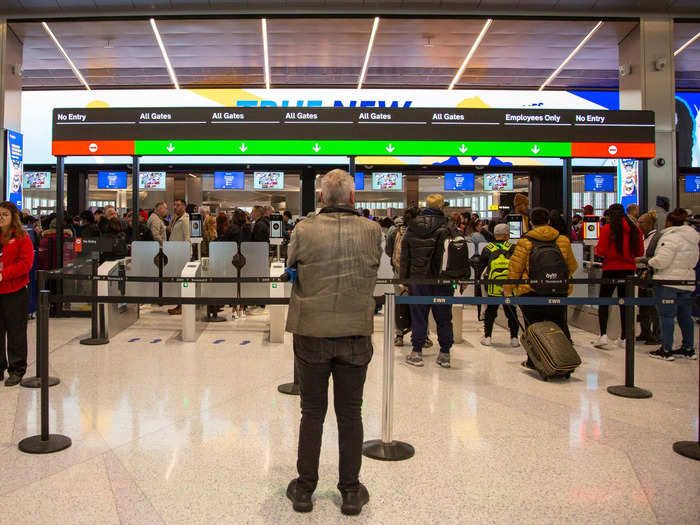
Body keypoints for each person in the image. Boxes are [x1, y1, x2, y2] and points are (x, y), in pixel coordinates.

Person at [285, 169, 381, 516]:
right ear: (353, 198)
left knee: (312, 412)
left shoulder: (304, 229)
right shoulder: (373, 231)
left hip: (311, 332)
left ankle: (304, 490)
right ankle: (351, 491)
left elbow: (290, 263)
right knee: (350, 413)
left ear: (322, 198)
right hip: (355, 332)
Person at [504, 207, 578, 369]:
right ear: (549, 221)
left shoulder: (525, 242)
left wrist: (508, 289)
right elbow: (572, 266)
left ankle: (534, 361)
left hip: (531, 291)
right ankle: (565, 361)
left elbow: (515, 268)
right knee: (559, 325)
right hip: (558, 290)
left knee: (533, 327)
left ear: (531, 223)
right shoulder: (562, 240)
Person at [400, 193, 454, 369]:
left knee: (419, 316)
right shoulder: (448, 226)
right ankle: (445, 353)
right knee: (444, 317)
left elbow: (405, 256)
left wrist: (404, 280)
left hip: (418, 278)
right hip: (442, 280)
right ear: (441, 207)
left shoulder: (412, 226)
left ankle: (417, 352)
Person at [648, 208, 700, 361]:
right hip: (686, 281)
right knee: (685, 315)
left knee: (667, 316)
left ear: (669, 222)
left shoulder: (670, 237)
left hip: (667, 281)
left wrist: (650, 261)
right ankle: (688, 347)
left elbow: (662, 261)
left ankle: (666, 349)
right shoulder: (692, 239)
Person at [593, 203, 644, 348]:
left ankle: (603, 335)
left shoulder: (608, 229)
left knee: (604, 301)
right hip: (628, 270)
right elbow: (640, 252)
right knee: (625, 303)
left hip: (610, 269)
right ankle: (625, 337)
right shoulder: (635, 230)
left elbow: (601, 251)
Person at [0, 202, 34, 387]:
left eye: (5, 214)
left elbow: (25, 264)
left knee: (16, 332)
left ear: (13, 216)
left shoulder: (22, 237)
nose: (1, 218)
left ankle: (17, 369)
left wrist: (3, 275)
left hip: (15, 291)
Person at [478, 223, 519, 347]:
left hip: (492, 286)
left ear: (495, 235)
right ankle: (514, 338)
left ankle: (488, 337)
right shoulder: (512, 248)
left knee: (490, 311)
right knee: (511, 311)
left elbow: (481, 268)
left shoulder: (488, 248)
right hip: (509, 287)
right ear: (507, 235)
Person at [636, 211, 661, 345]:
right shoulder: (641, 237)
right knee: (643, 305)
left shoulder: (657, 238)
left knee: (653, 306)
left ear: (650, 224)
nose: (639, 225)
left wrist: (642, 260)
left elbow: (656, 257)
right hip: (641, 275)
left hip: (651, 274)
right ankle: (645, 332)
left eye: (642, 222)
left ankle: (657, 334)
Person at [167, 199, 190, 315]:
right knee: (178, 281)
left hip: (182, 255)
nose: (175, 207)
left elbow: (187, 238)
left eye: (178, 205)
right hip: (175, 254)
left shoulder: (185, 220)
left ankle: (181, 306)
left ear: (184, 207)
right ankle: (180, 305)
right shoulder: (177, 219)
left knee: (182, 282)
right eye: (174, 205)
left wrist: (188, 255)